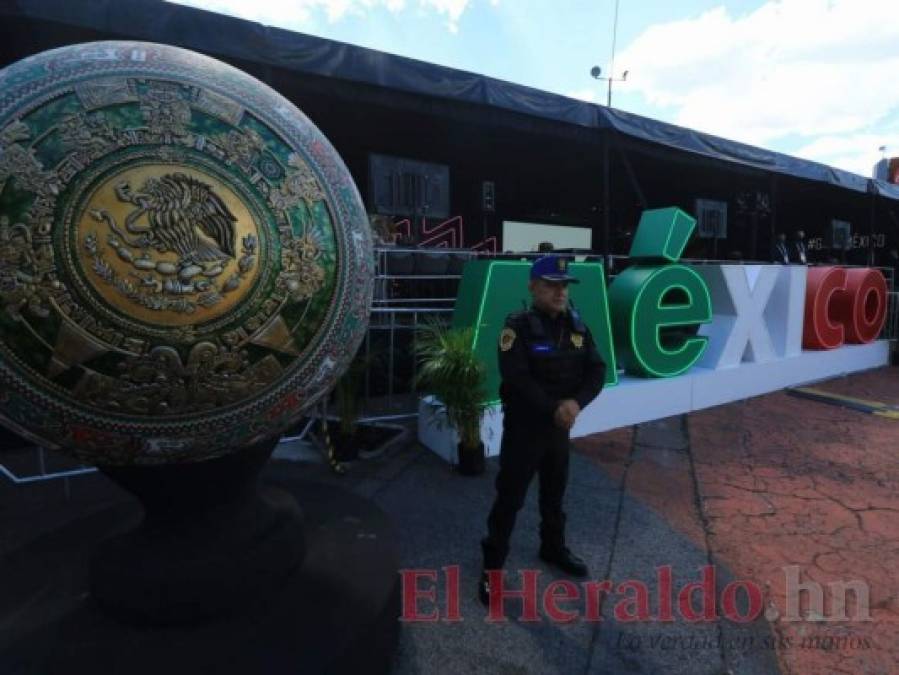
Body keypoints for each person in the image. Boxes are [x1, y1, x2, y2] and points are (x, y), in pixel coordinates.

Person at [478, 255, 606, 606]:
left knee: (555, 494)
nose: (560, 291)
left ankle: (553, 548)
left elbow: (597, 371)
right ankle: (492, 570)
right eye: (551, 284)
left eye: (564, 285)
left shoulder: (578, 327)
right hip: (525, 430)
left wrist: (576, 404)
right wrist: (556, 408)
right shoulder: (516, 327)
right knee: (510, 499)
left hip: (559, 430)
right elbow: (516, 377)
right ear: (533, 286)